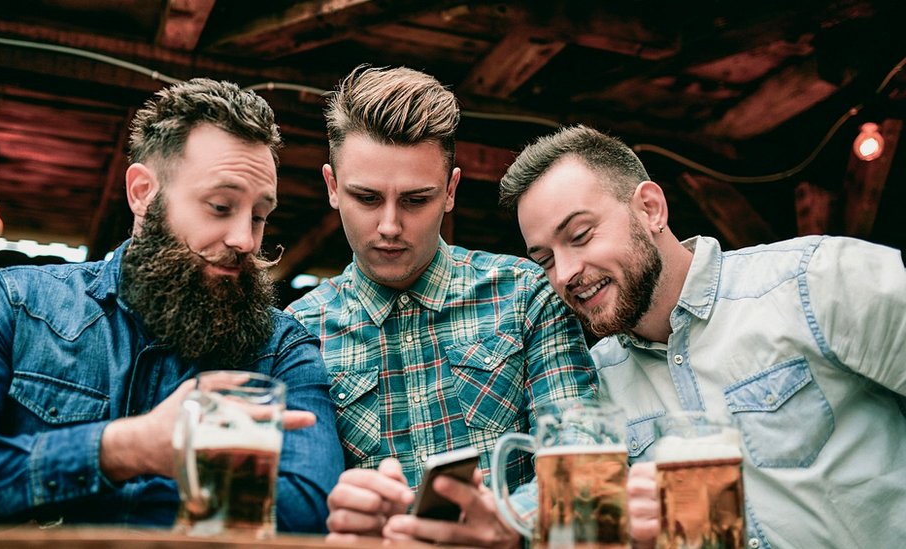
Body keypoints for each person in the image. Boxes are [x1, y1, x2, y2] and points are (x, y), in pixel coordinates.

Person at [0, 78, 342, 531]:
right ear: (143, 193)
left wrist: (52, 491)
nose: (245, 239)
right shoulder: (14, 305)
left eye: (260, 216)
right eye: (221, 206)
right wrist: (124, 449)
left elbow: (307, 509)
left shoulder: (282, 350)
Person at [498, 123, 906, 548]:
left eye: (579, 236)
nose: (564, 274)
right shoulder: (592, 384)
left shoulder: (815, 279)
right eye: (545, 259)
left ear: (651, 208)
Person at [285, 65, 597, 547]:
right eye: (366, 198)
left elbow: (584, 462)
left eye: (416, 200)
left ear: (450, 191)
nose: (390, 225)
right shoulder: (296, 335)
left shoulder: (524, 294)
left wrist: (512, 523)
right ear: (331, 186)